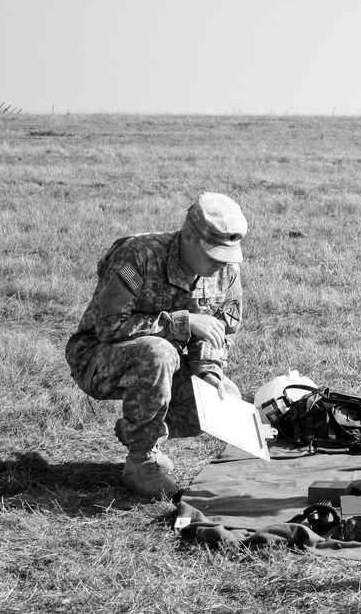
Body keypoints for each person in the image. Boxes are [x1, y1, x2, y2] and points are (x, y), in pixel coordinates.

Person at [65, 192, 248, 497]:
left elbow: (221, 328)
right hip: (98, 357)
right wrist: (183, 322)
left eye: (226, 255)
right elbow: (108, 327)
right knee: (159, 352)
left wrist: (209, 371)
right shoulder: (139, 255)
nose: (221, 262)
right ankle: (141, 459)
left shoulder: (225, 269)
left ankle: (145, 433)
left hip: (165, 365)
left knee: (220, 400)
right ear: (188, 237)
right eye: (213, 253)